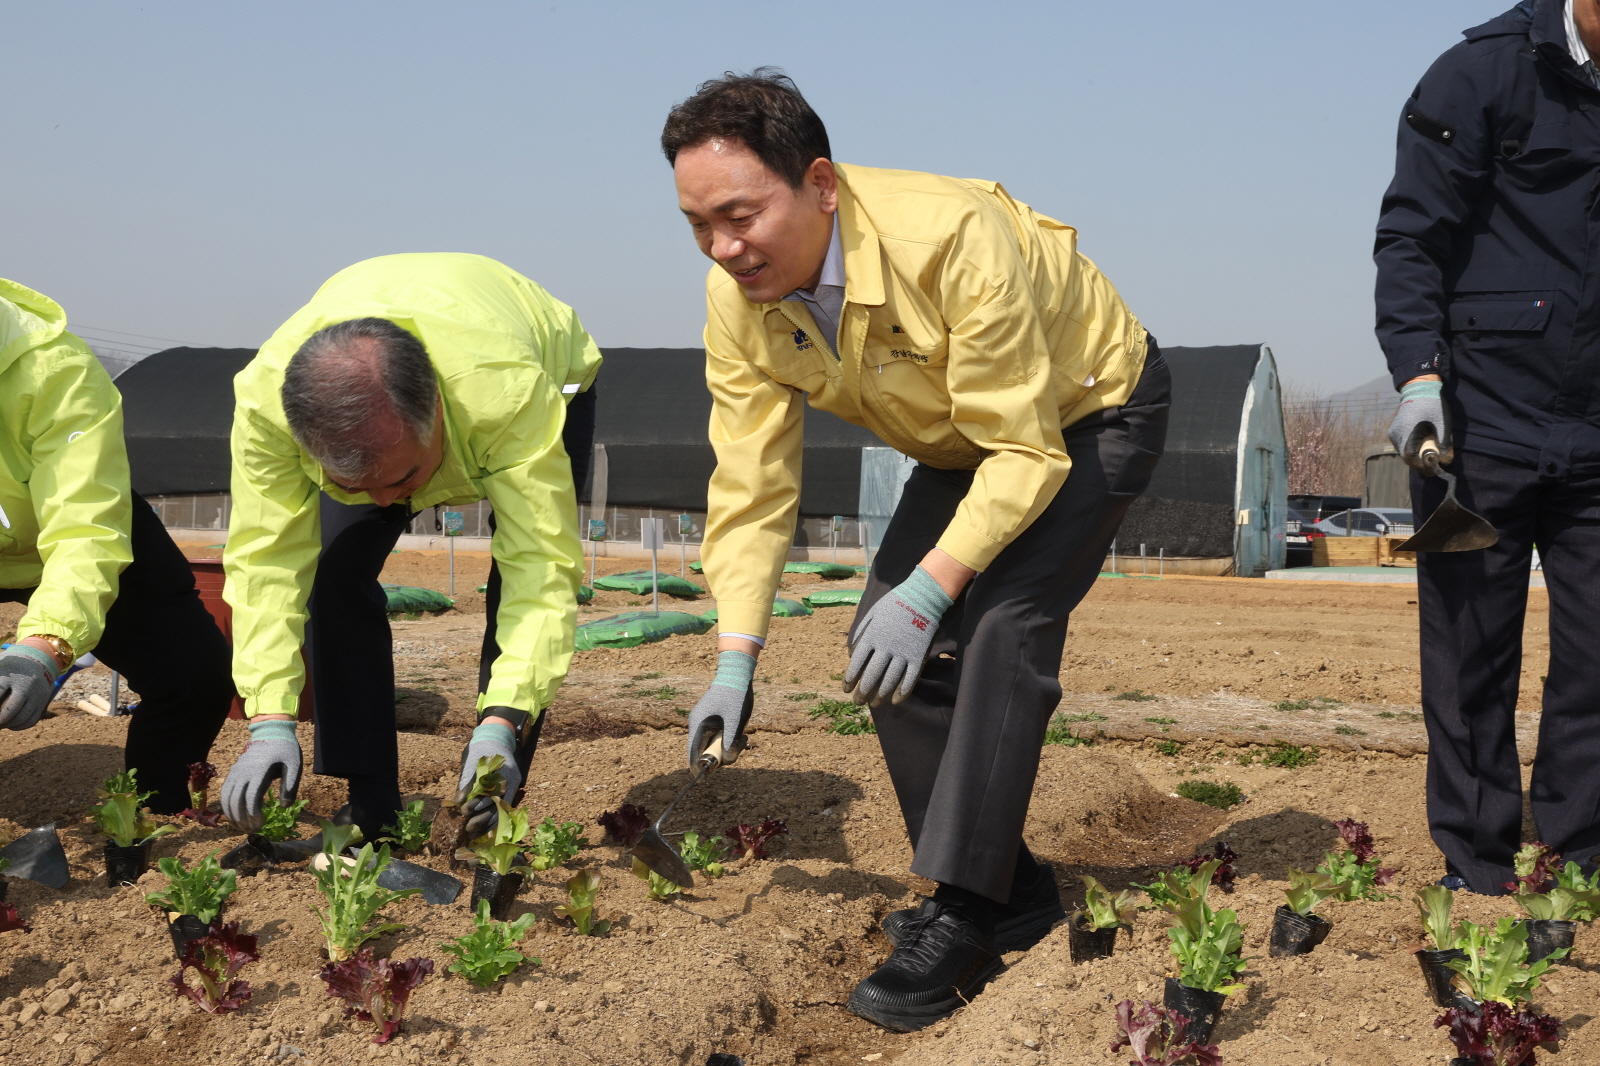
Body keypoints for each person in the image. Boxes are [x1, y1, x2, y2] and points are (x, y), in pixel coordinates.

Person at [663, 71, 1170, 1031]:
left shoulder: (948, 238)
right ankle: (1010, 888)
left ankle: (967, 913)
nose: (724, 247)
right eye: (698, 224)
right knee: (879, 641)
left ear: (818, 184)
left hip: (1089, 413)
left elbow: (1027, 450)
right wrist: (736, 657)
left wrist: (936, 587)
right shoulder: (740, 301)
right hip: (960, 442)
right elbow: (752, 481)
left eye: (741, 214)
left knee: (1001, 626)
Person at [217, 253, 601, 843]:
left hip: (547, 369)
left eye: (403, 479)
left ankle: (494, 788)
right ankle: (372, 806)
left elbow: (541, 570)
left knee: (514, 584)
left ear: (438, 415)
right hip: (401, 386)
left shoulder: (506, 396)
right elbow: (265, 562)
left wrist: (504, 720)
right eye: (354, 487)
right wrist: (269, 717)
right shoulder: (267, 410)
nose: (388, 501)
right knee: (333, 570)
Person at [1376, 0, 1600, 894]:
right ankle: (1477, 861)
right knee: (1472, 660)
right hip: (1479, 427)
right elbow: (1411, 237)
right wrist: (1417, 374)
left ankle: (1579, 855)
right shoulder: (1481, 74)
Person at [0, 278, 235, 811]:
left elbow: (84, 525)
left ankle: (151, 816)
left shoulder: (53, 368)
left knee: (194, 679)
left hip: (71, 529)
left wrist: (44, 647)